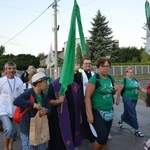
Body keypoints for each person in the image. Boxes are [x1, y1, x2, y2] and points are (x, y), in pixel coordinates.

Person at [84, 57, 118, 150]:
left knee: (104, 138)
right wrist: (90, 114)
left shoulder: (111, 78)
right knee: (102, 137)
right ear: (98, 67)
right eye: (103, 66)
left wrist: (115, 90)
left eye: (108, 66)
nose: (106, 68)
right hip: (97, 111)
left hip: (109, 111)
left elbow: (112, 92)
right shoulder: (94, 79)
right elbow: (87, 97)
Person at [13, 72, 51, 150]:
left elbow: (49, 109)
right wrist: (33, 105)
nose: (47, 84)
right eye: (45, 82)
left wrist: (46, 111)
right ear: (38, 83)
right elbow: (16, 101)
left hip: (40, 129)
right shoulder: (28, 93)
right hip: (27, 130)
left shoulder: (44, 95)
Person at [47, 78, 81, 150]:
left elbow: (79, 101)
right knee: (60, 142)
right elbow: (48, 101)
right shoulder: (54, 85)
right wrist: (58, 101)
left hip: (73, 117)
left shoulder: (74, 85)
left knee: (72, 137)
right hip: (59, 120)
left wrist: (80, 115)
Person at [116, 67, 147, 137]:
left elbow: (141, 89)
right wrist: (117, 100)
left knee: (127, 112)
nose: (130, 73)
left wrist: (148, 92)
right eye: (129, 72)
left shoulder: (135, 80)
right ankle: (136, 129)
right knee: (132, 112)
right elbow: (119, 90)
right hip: (127, 99)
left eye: (132, 72)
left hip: (135, 99)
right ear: (126, 73)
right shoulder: (124, 80)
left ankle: (120, 121)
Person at [0, 62, 24, 150]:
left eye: (13, 68)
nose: (11, 70)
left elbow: (22, 95)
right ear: (5, 70)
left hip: (16, 110)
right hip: (4, 110)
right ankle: (6, 148)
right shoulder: (1, 81)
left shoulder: (19, 81)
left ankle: (10, 147)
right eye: (9, 68)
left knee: (13, 131)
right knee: (8, 128)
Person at [74, 58, 95, 142]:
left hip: (92, 99)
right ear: (82, 65)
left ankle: (92, 133)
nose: (88, 65)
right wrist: (75, 70)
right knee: (83, 116)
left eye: (89, 63)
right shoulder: (79, 74)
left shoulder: (93, 74)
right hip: (82, 99)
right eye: (86, 63)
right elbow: (74, 81)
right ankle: (84, 134)